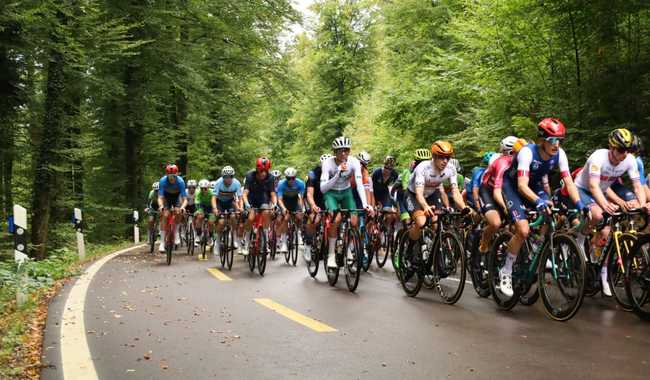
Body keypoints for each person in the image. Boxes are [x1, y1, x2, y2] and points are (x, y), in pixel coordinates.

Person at [499, 118, 586, 297]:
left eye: (560, 140)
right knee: (522, 230)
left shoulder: (560, 154)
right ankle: (506, 270)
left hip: (535, 185)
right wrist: (537, 201)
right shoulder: (527, 153)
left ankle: (538, 246)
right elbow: (522, 185)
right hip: (513, 186)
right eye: (553, 140)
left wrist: (579, 204)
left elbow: (569, 183)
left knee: (552, 212)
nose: (557, 144)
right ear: (542, 140)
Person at [572, 128, 647, 295]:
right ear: (611, 147)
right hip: (583, 189)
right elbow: (593, 186)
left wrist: (642, 205)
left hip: (604, 189)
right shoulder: (598, 157)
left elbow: (637, 186)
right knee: (598, 215)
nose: (624, 154)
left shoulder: (630, 160)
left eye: (628, 150)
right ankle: (580, 237)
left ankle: (604, 272)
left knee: (610, 231)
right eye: (621, 150)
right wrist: (606, 205)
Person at [405, 141, 468, 253]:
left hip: (431, 194)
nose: (445, 161)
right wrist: (425, 207)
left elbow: (455, 192)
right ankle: (409, 248)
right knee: (421, 222)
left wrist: (464, 208)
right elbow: (419, 194)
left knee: (437, 223)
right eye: (441, 157)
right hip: (414, 194)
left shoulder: (451, 169)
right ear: (434, 156)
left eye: (448, 157)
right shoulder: (423, 168)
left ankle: (434, 253)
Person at [320, 136, 373, 268]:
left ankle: (348, 248)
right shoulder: (328, 163)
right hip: (331, 193)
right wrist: (337, 173)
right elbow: (323, 188)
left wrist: (366, 204)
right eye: (340, 150)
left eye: (346, 150)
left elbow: (360, 184)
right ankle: (331, 255)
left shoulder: (354, 162)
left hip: (346, 192)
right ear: (334, 152)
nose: (344, 153)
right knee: (336, 219)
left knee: (354, 221)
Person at [242, 157, 277, 255]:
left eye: (266, 171)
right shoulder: (250, 176)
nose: (263, 173)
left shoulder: (270, 177)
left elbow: (273, 194)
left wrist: (274, 204)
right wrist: (247, 204)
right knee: (251, 217)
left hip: (263, 198)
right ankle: (247, 243)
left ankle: (264, 242)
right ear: (257, 169)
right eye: (261, 170)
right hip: (251, 198)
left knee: (266, 212)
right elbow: (245, 193)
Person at [303, 154, 331, 261]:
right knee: (314, 219)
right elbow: (309, 194)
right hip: (312, 197)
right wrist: (313, 206)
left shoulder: (333, 172)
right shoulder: (313, 174)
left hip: (325, 198)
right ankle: (308, 245)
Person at [211, 166, 243, 256]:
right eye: (226, 177)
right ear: (223, 177)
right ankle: (217, 243)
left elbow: (240, 198)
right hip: (219, 203)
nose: (228, 179)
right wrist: (215, 208)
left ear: (233, 177)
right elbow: (214, 198)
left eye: (230, 177)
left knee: (233, 217)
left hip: (230, 202)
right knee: (221, 222)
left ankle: (232, 236)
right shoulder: (218, 182)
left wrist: (240, 208)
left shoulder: (236, 183)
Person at [157, 164, 188, 252]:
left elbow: (185, 199)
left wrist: (182, 207)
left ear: (176, 175)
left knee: (178, 212)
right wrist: (161, 206)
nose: (171, 178)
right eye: (169, 176)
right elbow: (160, 197)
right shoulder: (162, 181)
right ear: (166, 175)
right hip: (166, 197)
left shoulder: (180, 181)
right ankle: (162, 242)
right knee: (165, 215)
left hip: (176, 197)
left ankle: (176, 232)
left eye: (173, 176)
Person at [277, 167, 306, 253]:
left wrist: (301, 208)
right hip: (285, 202)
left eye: (293, 178)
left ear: (295, 177)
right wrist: (283, 208)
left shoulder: (300, 183)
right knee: (286, 218)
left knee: (299, 217)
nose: (291, 180)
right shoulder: (281, 184)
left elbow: (301, 197)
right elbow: (279, 199)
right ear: (286, 178)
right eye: (288, 178)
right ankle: (284, 243)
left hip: (295, 201)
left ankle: (299, 234)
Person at [194, 179, 215, 247]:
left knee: (211, 222)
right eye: (202, 188)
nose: (203, 190)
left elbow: (215, 202)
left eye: (205, 189)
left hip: (211, 207)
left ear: (208, 188)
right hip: (202, 206)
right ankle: (198, 235)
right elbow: (197, 203)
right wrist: (199, 211)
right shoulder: (198, 192)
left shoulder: (212, 192)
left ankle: (211, 237)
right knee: (199, 217)